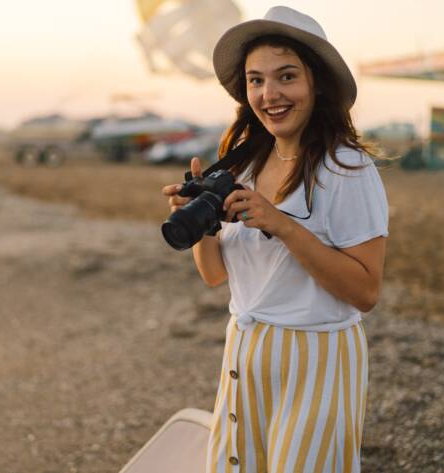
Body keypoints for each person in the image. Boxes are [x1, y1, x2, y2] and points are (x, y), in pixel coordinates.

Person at [161, 7, 388, 472]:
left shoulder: (346, 167)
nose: (270, 95)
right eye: (256, 80)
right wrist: (198, 220)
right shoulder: (241, 164)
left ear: (316, 83)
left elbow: (365, 291)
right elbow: (214, 275)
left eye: (286, 77)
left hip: (317, 359)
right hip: (244, 350)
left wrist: (281, 223)